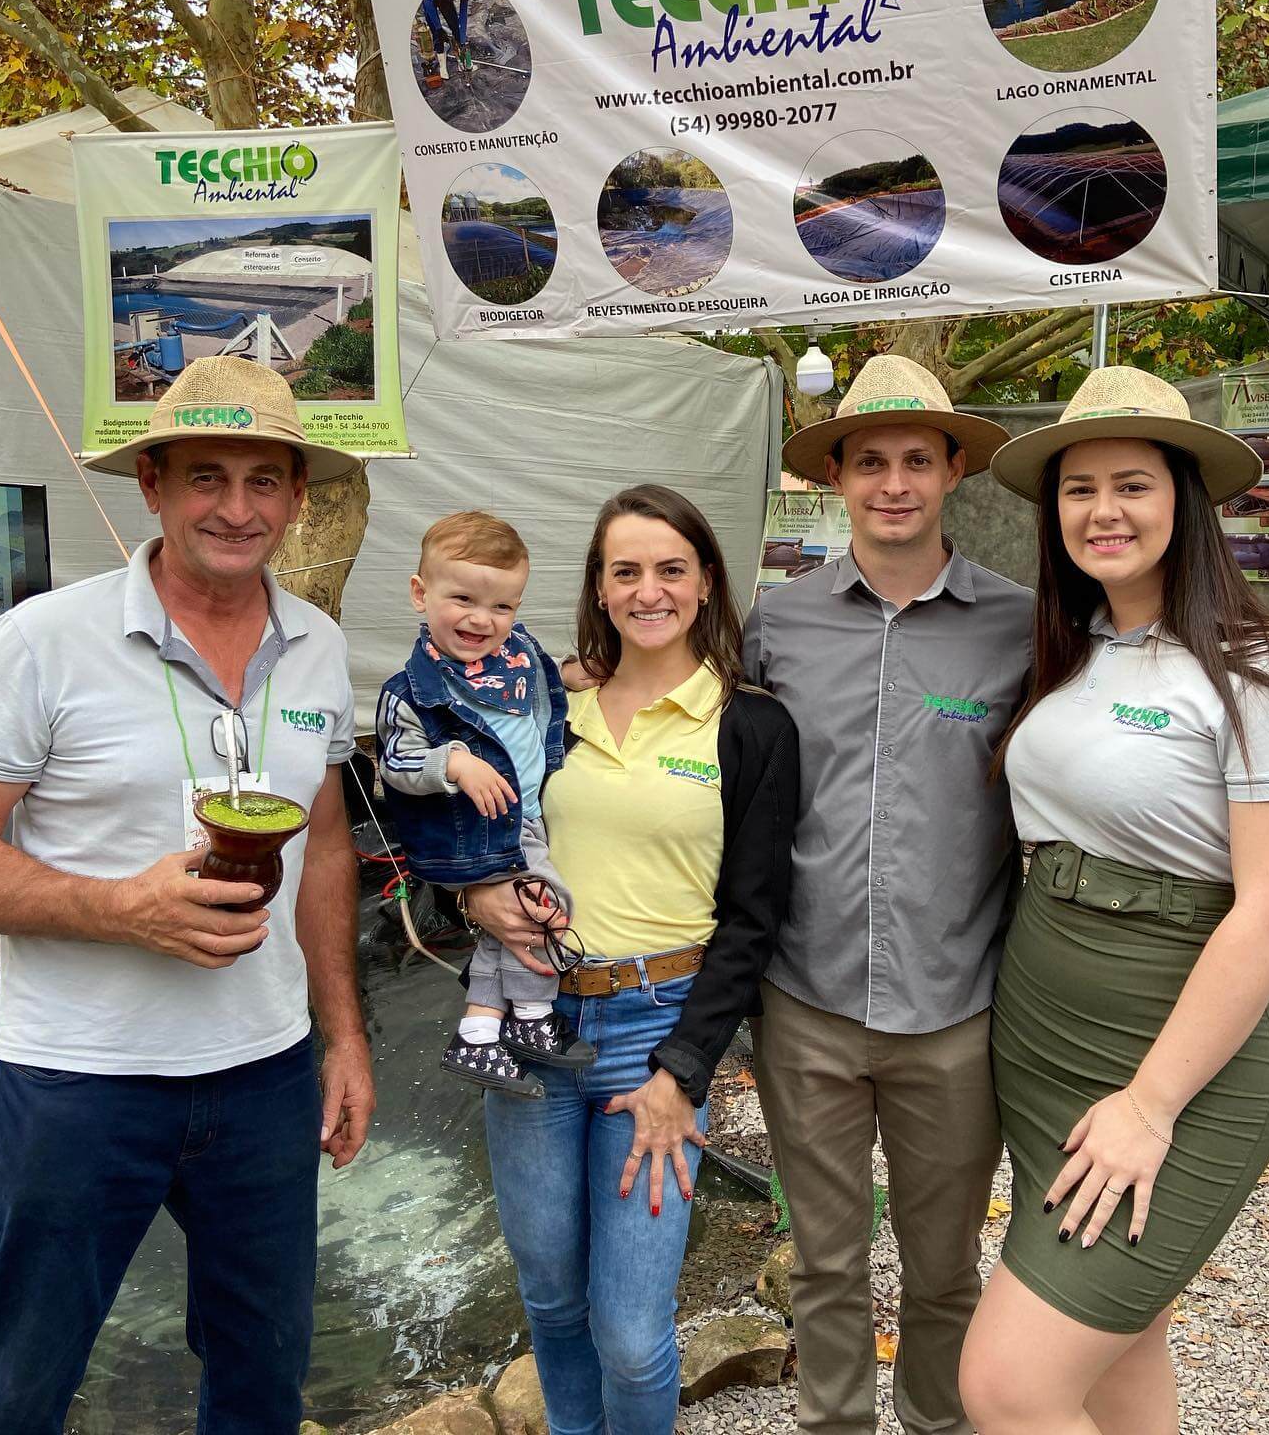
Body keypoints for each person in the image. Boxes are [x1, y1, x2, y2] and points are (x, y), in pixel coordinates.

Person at [0, 355, 375, 1435]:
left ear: (294, 494)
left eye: (263, 480)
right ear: (152, 483)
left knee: (262, 1376)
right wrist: (114, 908)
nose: (237, 509)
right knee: (19, 1389)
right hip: (81, 1083)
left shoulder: (319, 645)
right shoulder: (46, 638)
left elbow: (325, 847)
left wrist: (346, 1038)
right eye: (206, 478)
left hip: (263, 1076)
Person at [959, 367, 1269, 1435]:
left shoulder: (1268, 672)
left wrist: (1150, 1105)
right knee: (1121, 1353)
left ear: (1185, 499)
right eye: (1079, 489)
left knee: (1008, 1385)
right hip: (1044, 1039)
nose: (1102, 511)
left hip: (1177, 1060)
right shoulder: (1075, 654)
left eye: (1131, 484)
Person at [464, 483, 799, 1435]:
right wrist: (469, 896)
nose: (647, 590)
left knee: (631, 1327)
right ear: (599, 590)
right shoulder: (542, 715)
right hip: (531, 1022)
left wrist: (685, 1070)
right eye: (625, 571)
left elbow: (753, 918)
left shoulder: (750, 725)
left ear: (704, 585)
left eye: (670, 569)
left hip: (657, 1027)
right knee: (553, 1297)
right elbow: (470, 849)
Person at [744, 353, 1033, 1435]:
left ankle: (935, 1421)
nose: (895, 483)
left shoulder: (1019, 625)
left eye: (919, 459)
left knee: (946, 1268)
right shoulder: (779, 624)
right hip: (806, 1002)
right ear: (839, 478)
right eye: (872, 461)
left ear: (955, 467)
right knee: (823, 1264)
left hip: (955, 1009)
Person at [376, 510, 591, 1095]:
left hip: (523, 817)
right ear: (421, 593)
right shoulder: (413, 691)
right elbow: (394, 762)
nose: (482, 619)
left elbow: (544, 684)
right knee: (547, 909)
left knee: (506, 931)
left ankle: (480, 1034)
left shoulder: (516, 660)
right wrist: (452, 761)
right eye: (464, 598)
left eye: (503, 606)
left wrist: (575, 675)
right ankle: (532, 1019)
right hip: (480, 830)